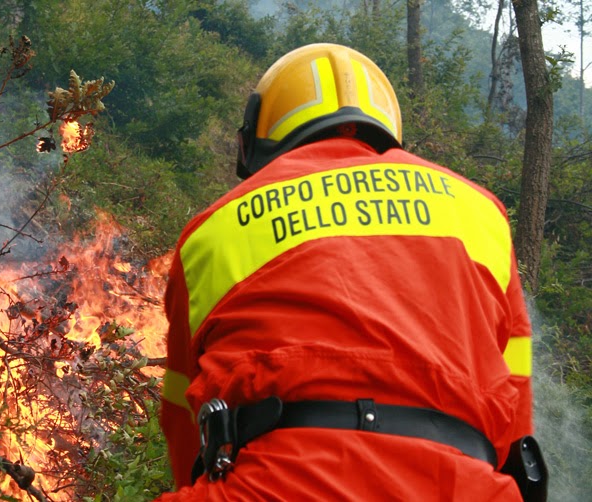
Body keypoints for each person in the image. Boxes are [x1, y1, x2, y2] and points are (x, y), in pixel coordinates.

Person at [158, 43, 543, 501]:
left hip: (277, 484)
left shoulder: (215, 229)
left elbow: (184, 421)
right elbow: (515, 413)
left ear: (256, 139)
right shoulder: (483, 214)